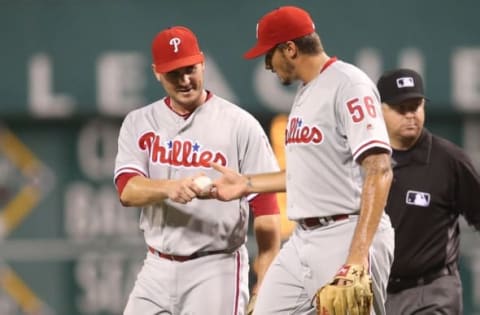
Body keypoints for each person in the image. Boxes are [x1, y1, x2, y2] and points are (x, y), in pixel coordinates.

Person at [210, 6, 395, 315]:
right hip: (303, 239)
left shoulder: (349, 84)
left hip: (347, 232)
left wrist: (357, 255)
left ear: (290, 49)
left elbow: (380, 169)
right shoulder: (308, 90)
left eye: (269, 54)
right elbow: (306, 172)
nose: (267, 64)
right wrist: (247, 183)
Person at [113, 25, 281, 315]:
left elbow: (267, 210)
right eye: (173, 73)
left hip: (216, 267)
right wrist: (170, 187)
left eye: (190, 68)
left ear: (202, 63)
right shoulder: (139, 122)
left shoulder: (239, 124)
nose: (185, 79)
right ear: (157, 72)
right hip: (156, 266)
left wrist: (263, 284)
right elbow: (127, 189)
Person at [376, 68, 480, 314]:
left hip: (431, 291)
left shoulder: (449, 160)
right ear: (380, 109)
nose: (411, 114)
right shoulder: (364, 159)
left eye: (416, 105)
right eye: (402, 108)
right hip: (378, 292)